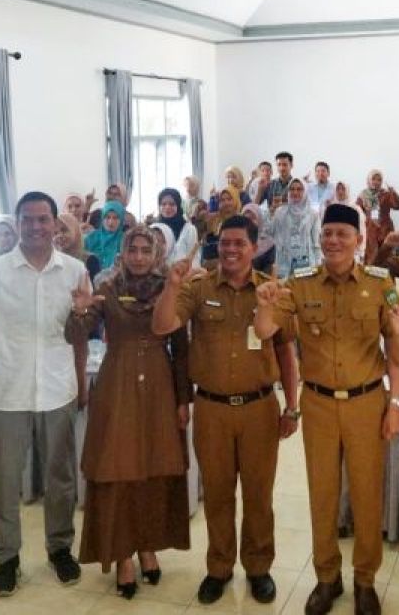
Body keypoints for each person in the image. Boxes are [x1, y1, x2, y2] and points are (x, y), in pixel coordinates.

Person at [252, 204, 399, 615]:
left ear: (359, 240)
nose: (332, 241)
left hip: (367, 403)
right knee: (322, 494)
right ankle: (327, 577)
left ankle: (365, 580)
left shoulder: (382, 285)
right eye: (327, 233)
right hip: (319, 404)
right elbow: (263, 332)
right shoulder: (300, 283)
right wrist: (264, 303)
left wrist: (395, 403)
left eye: (342, 234)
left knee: (367, 496)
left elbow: (398, 355)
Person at [152, 215, 301, 605]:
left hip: (259, 408)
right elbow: (163, 325)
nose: (231, 249)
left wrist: (293, 407)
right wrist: (171, 287)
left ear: (255, 247)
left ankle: (258, 568)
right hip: (212, 408)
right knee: (217, 494)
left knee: (258, 495)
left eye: (239, 243)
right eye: (225, 243)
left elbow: (286, 351)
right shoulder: (198, 288)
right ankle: (218, 568)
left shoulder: (273, 292)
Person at [0, 192, 87, 596]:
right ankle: (7, 558)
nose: (36, 227)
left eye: (44, 220)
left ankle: (60, 549)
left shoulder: (74, 271)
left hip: (58, 389)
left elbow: (80, 333)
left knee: (60, 479)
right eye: (28, 220)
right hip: (5, 392)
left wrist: (82, 322)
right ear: (18, 223)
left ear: (57, 224)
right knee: (5, 481)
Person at [64, 226, 190, 598]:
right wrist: (79, 310)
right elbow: (76, 333)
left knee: (153, 468)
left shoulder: (170, 286)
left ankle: (148, 545)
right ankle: (122, 555)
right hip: (116, 386)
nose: (137, 256)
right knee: (118, 470)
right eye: (131, 249)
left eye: (144, 250)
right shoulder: (106, 287)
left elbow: (181, 349)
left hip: (159, 386)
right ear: (122, 252)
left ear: (156, 254)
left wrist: (184, 399)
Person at [265, 178, 322, 278]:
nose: (295, 192)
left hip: (306, 264)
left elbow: (316, 243)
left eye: (299, 189)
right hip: (284, 264)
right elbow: (269, 232)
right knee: (285, 291)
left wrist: (318, 264)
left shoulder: (313, 214)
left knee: (302, 291)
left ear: (305, 192)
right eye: (292, 189)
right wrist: (271, 213)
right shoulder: (280, 212)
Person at [357, 170, 399, 265]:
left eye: (379, 180)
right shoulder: (363, 195)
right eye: (373, 179)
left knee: (387, 257)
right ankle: (370, 279)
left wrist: (393, 193)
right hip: (370, 231)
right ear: (369, 180)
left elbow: (397, 206)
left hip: (385, 229)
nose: (376, 182)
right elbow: (357, 212)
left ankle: (387, 279)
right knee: (371, 258)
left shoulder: (386, 194)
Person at [157, 188, 200, 265]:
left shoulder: (189, 229)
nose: (167, 207)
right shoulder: (155, 229)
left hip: (184, 274)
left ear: (178, 205)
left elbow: (194, 259)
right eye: (163, 204)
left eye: (172, 204)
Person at [203, 186, 244, 262]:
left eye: (229, 199)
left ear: (236, 200)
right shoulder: (215, 221)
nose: (226, 203)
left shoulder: (242, 222)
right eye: (222, 200)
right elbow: (206, 249)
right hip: (211, 266)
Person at [84, 200, 126, 270]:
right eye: (107, 217)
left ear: (121, 220)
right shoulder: (91, 238)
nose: (111, 222)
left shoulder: (125, 240)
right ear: (102, 218)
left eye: (115, 218)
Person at [241, 204, 276, 274]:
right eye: (246, 219)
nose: (249, 222)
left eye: (253, 218)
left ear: (260, 219)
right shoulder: (237, 242)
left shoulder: (268, 244)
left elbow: (268, 273)